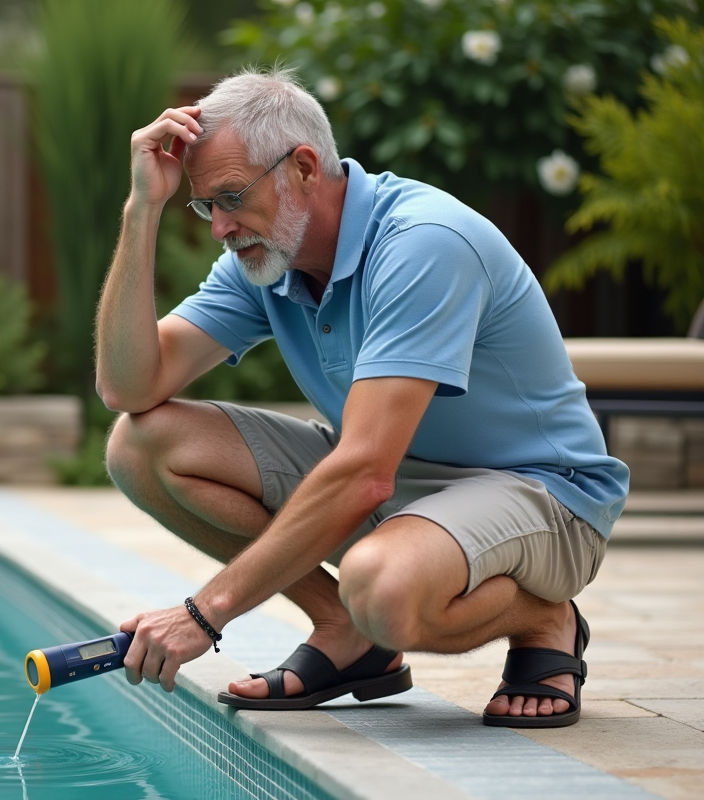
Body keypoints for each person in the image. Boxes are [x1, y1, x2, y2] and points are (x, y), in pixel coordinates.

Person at [96, 66, 629, 728]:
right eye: (207, 205)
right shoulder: (269, 257)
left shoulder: (421, 244)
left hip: (544, 494)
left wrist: (206, 612)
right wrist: (141, 208)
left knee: (380, 586)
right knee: (141, 445)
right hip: (401, 482)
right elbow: (128, 386)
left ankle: (544, 615)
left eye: (231, 198)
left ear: (304, 167)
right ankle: (346, 631)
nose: (220, 228)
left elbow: (365, 472)